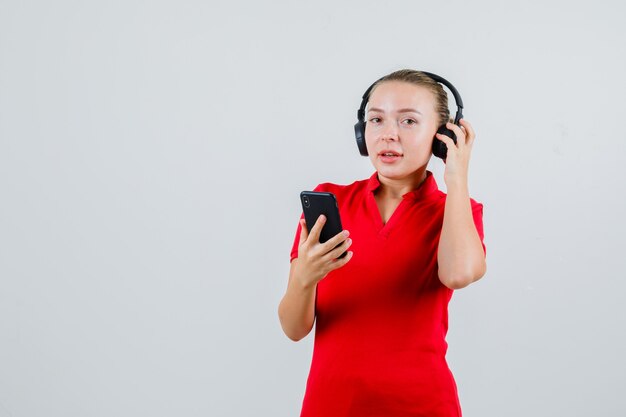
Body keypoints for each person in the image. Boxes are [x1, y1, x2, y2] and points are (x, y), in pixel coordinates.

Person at [278, 69, 486, 417]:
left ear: (442, 136)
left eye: (408, 121)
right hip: (330, 406)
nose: (388, 134)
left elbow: (460, 274)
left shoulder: (455, 212)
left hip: (423, 406)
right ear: (362, 133)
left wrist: (457, 176)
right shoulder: (331, 201)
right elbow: (293, 328)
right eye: (376, 120)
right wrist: (305, 275)